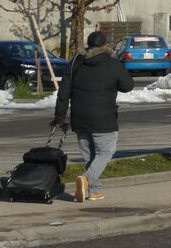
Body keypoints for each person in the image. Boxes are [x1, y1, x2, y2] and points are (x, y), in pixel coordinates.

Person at [52, 31, 134, 202]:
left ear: (88, 45)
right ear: (104, 45)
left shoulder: (75, 63)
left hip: (79, 118)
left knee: (90, 155)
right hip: (104, 119)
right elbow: (127, 86)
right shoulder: (113, 64)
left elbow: (63, 92)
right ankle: (86, 179)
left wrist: (59, 117)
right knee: (105, 152)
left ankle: (93, 191)